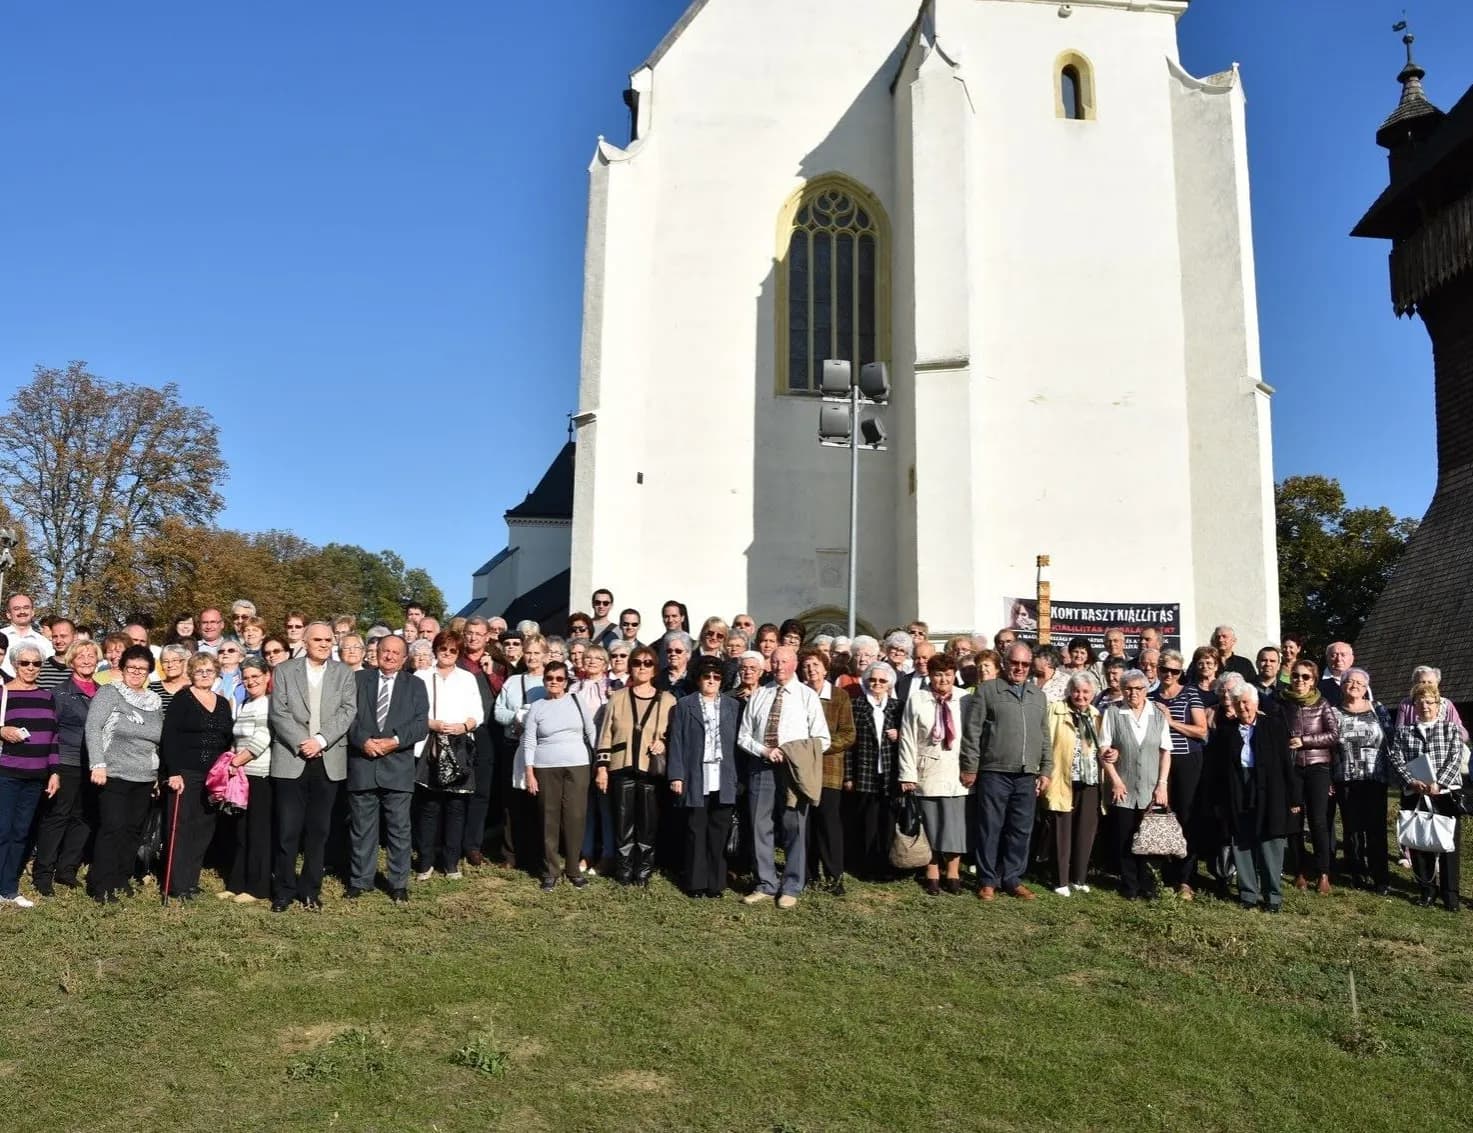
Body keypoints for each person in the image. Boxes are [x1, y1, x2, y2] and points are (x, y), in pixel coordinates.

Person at [268, 621, 357, 912]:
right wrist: (302, 742)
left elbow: (348, 711)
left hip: (327, 759)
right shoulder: (284, 671)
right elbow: (278, 712)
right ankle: (283, 890)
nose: (323, 644)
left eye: (328, 640)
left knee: (318, 831)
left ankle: (310, 890)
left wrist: (320, 740)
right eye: (317, 639)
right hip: (291, 759)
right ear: (305, 642)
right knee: (287, 830)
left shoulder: (343, 673)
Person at [738, 645, 829, 908]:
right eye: (775, 662)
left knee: (794, 826)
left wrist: (793, 754)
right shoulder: (760, 694)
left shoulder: (806, 696)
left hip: (794, 770)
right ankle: (766, 883)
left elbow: (823, 739)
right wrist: (764, 750)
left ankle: (792, 885)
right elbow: (744, 736)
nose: (779, 666)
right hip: (762, 766)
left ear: (795, 664)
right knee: (759, 825)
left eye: (784, 662)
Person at [960, 643, 1052, 902]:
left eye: (1025, 664)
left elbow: (1044, 735)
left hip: (1026, 774)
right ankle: (988, 880)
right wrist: (969, 766)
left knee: (1021, 830)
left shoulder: (1038, 695)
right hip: (994, 771)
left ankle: (1012, 878)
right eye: (1015, 663)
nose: (1019, 668)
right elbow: (973, 731)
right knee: (991, 827)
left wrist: (1045, 769)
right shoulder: (988, 691)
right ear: (1005, 662)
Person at [345, 635, 428, 904]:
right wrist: (363, 741)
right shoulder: (358, 681)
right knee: (362, 828)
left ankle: (398, 883)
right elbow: (347, 717)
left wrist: (394, 741)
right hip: (363, 763)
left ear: (405, 658)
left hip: (398, 767)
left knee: (399, 829)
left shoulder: (415, 685)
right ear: (376, 653)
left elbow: (420, 724)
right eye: (385, 651)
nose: (390, 656)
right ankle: (361, 880)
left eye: (396, 653)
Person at [1206, 685, 1300, 912]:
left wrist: (1294, 798)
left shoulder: (1273, 726)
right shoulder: (1226, 731)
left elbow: (1287, 764)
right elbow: (1216, 769)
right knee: (1242, 840)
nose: (1242, 707)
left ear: (1256, 704)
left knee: (1270, 842)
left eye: (1246, 702)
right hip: (1237, 787)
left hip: (1270, 789)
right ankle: (1248, 893)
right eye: (1237, 703)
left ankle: (1273, 897)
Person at [84, 644, 164, 903]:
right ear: (122, 668)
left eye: (142, 669)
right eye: (132, 668)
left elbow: (158, 740)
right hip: (114, 773)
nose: (136, 673)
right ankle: (101, 883)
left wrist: (156, 775)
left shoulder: (155, 701)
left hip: (144, 776)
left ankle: (121, 877)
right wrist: (97, 763)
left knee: (132, 830)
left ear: (150, 671)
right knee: (112, 828)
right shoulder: (110, 693)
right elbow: (93, 727)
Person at [594, 646, 676, 886]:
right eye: (637, 662)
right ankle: (624, 869)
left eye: (648, 663)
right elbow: (605, 734)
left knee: (648, 823)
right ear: (630, 666)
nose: (642, 667)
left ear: (654, 669)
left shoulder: (668, 700)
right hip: (621, 767)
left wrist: (663, 743)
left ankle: (644, 870)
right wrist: (601, 768)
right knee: (623, 822)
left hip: (650, 769)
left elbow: (675, 736)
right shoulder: (618, 698)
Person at [158, 651, 234, 900]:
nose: (204, 675)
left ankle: (191, 880)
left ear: (216, 674)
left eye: (209, 671)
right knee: (180, 827)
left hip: (213, 776)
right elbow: (169, 737)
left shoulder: (222, 703)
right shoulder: (183, 699)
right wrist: (174, 772)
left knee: (204, 829)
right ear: (191, 673)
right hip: (186, 772)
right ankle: (175, 884)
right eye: (199, 670)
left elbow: (227, 738)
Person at [666, 656, 742, 898]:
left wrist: (739, 779)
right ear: (698, 679)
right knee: (696, 829)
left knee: (719, 830)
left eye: (716, 677)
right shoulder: (684, 705)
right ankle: (695, 883)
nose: (711, 681)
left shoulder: (733, 706)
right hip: (695, 775)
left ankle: (715, 883)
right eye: (706, 676)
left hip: (724, 775)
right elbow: (676, 742)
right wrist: (676, 775)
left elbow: (739, 746)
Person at [521, 659, 597, 892]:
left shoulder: (576, 701)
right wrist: (530, 771)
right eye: (549, 678)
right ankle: (551, 871)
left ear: (566, 681)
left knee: (575, 817)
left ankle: (573, 869)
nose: (554, 682)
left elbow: (591, 730)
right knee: (548, 817)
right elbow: (530, 740)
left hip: (578, 764)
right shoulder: (537, 706)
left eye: (559, 678)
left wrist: (598, 763)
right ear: (544, 680)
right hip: (545, 767)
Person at [415, 631, 484, 882]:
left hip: (459, 745)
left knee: (456, 807)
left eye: (453, 650)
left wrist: (464, 726)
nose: (447, 654)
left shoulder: (467, 678)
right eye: (443, 649)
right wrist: (431, 723)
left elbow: (478, 712)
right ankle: (425, 861)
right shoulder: (422, 676)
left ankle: (451, 862)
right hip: (430, 744)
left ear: (459, 653)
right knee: (429, 807)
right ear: (435, 650)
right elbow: (412, 712)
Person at [898, 653, 969, 895]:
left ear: (954, 675)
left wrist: (972, 768)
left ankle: (953, 872)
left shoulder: (965, 699)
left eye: (948, 674)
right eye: (938, 674)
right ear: (930, 675)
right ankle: (932, 870)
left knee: (954, 825)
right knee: (931, 824)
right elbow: (907, 738)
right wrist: (907, 773)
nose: (943, 679)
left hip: (957, 771)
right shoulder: (917, 700)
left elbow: (972, 738)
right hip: (926, 770)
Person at [1098, 670, 1173, 901]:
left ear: (1146, 689)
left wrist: (1162, 785)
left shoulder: (1157, 714)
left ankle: (1148, 885)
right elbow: (1103, 750)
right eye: (1128, 688)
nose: (1133, 693)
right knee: (1124, 837)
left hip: (1151, 787)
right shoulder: (1113, 712)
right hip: (1124, 787)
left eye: (1138, 688)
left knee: (1148, 837)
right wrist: (1116, 780)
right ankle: (1129, 885)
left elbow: (1165, 751)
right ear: (1122, 689)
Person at [32, 639, 99, 895]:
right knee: (58, 816)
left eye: (91, 656)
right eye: (80, 655)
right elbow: (51, 731)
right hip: (67, 761)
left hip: (93, 765)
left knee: (84, 818)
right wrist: (54, 769)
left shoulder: (103, 692)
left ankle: (67, 869)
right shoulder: (59, 693)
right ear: (71, 661)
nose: (86, 660)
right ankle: (43, 873)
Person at [1386, 687, 1464, 911]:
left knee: (1448, 846)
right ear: (1414, 706)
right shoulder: (1405, 732)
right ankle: (1427, 889)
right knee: (1421, 844)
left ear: (1438, 704)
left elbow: (1455, 757)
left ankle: (1450, 895)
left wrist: (1439, 782)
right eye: (1420, 702)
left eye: (1430, 702)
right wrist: (1411, 781)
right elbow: (1396, 759)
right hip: (1416, 793)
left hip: (1445, 793)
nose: (1425, 706)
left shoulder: (1450, 729)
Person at [0, 645, 61, 905]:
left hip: (36, 776)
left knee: (21, 832)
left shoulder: (47, 697)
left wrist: (55, 771)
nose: (31, 668)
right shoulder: (3, 693)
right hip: (6, 773)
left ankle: (9, 889)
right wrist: (1, 729)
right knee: (2, 830)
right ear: (15, 664)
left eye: (36, 663)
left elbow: (54, 737)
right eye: (25, 663)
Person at [1279, 658, 1338, 895]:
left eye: (1306, 677)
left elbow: (1333, 734)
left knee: (1318, 821)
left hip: (1317, 766)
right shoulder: (1282, 703)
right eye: (1296, 676)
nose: (1300, 681)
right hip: (1292, 768)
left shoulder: (1322, 703)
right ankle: (1300, 870)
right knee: (1294, 821)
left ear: (1313, 680)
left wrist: (1304, 741)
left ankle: (1323, 872)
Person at [1152, 650, 1208, 898]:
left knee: (1186, 817)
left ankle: (1186, 878)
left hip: (1187, 760)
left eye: (1174, 671)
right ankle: (1166, 873)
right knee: (1163, 816)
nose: (1169, 675)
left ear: (1181, 672)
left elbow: (1201, 731)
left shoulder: (1190, 693)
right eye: (1164, 669)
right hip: (1159, 760)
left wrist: (1171, 721)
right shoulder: (1151, 696)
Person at [800, 647, 855, 894]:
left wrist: (820, 746)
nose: (811, 670)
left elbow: (848, 734)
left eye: (816, 665)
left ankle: (835, 876)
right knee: (807, 823)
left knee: (829, 824)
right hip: (802, 769)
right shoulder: (798, 695)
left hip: (829, 769)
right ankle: (809, 874)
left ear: (825, 668)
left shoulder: (840, 697)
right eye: (807, 666)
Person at [1043, 672, 1103, 896]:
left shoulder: (1096, 715)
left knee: (1085, 830)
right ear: (1069, 691)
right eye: (1076, 691)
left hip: (1090, 780)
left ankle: (1079, 877)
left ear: (1093, 694)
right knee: (1062, 830)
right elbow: (1046, 743)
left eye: (1086, 692)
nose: (1080, 696)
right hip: (1062, 777)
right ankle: (1060, 880)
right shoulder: (1056, 710)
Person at [220, 657, 274, 903]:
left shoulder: (267, 704)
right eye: (247, 677)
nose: (251, 681)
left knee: (258, 832)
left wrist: (237, 761)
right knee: (240, 830)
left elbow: (262, 738)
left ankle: (257, 887)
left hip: (259, 774)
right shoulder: (244, 703)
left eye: (256, 676)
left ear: (266, 677)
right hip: (241, 776)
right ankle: (236, 882)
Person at [1333, 668, 1391, 895]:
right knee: (1352, 828)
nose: (1354, 685)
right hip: (1346, 777)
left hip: (1375, 777)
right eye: (1349, 681)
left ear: (1366, 686)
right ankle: (1357, 872)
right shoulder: (1333, 711)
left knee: (1376, 828)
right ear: (1342, 686)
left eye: (1359, 682)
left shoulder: (1378, 709)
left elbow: (1391, 737)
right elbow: (1329, 745)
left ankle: (1381, 878)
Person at [493, 632, 547, 872]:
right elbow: (498, 712)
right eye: (529, 652)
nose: (532, 657)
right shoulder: (513, 682)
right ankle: (510, 853)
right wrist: (515, 718)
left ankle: (535, 854)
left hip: (541, 749)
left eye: (537, 653)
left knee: (537, 801)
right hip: (513, 745)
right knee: (512, 802)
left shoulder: (551, 681)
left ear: (545, 655)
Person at [844, 661, 901, 880]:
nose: (877, 684)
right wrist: (848, 775)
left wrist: (900, 735)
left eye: (882, 681)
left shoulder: (897, 706)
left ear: (889, 684)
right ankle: (866, 866)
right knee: (867, 821)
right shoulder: (856, 705)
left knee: (887, 821)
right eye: (873, 680)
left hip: (889, 774)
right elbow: (849, 743)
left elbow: (910, 739)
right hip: (865, 773)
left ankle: (885, 865)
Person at [2, 593, 54, 665]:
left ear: (32, 612)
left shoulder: (44, 643)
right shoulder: (1, 635)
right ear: (8, 614)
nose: (22, 612)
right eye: (16, 608)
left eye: (26, 608)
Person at [34, 618, 75, 690]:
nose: (58, 641)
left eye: (63, 636)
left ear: (74, 637)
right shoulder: (40, 667)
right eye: (55, 636)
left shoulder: (82, 666)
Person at [657, 631, 695, 696]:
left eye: (678, 651)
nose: (673, 654)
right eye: (669, 651)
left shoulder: (695, 678)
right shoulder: (658, 678)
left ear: (688, 653)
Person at [1319, 642, 1355, 708]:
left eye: (1343, 655)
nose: (1339, 659)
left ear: (1352, 659)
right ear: (1327, 658)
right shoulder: (1314, 682)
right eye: (1333, 655)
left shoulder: (1361, 684)